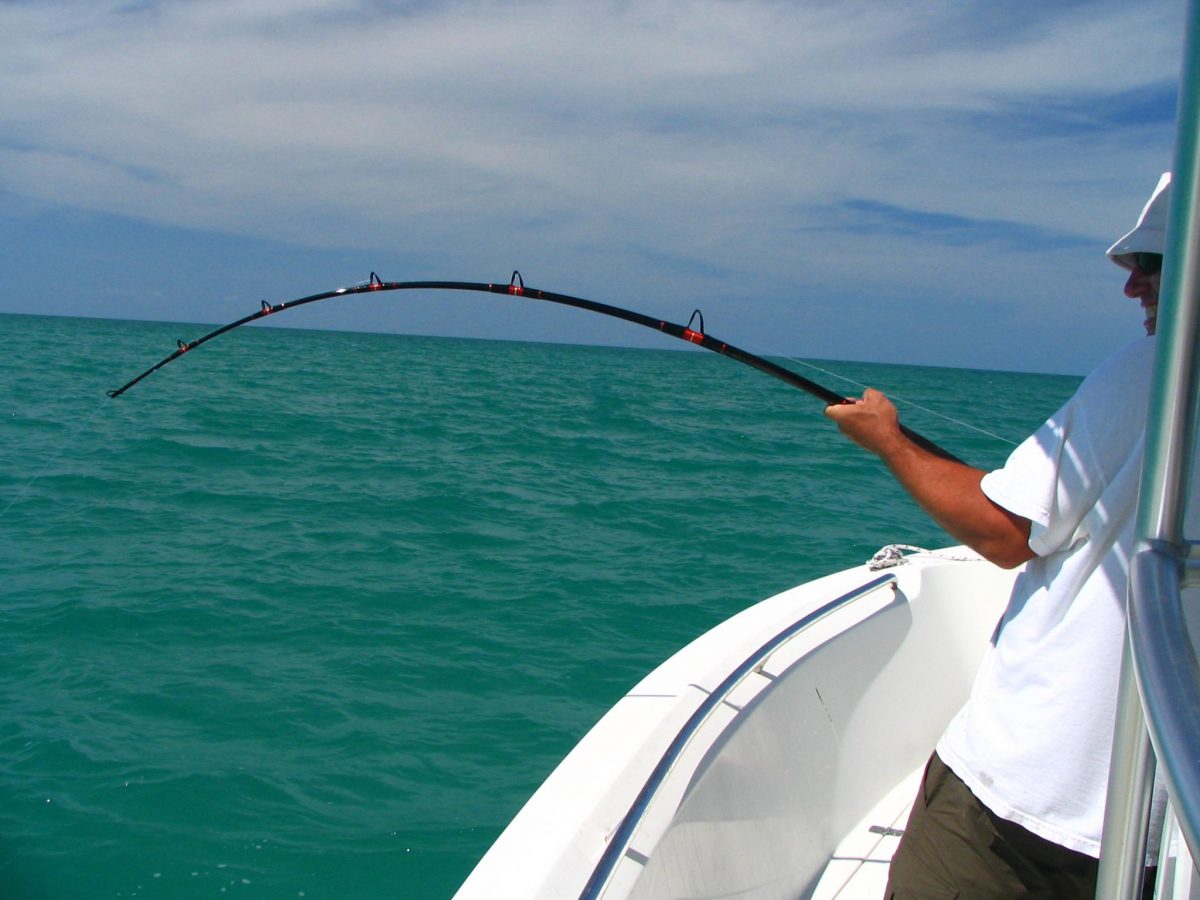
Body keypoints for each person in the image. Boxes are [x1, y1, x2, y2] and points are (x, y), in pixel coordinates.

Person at [825, 173, 1182, 898]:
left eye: (1151, 264)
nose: (1133, 288)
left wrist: (890, 442)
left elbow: (1004, 532)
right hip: (1167, 829)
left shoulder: (1154, 372)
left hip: (1035, 803)